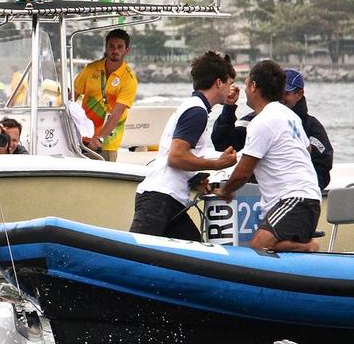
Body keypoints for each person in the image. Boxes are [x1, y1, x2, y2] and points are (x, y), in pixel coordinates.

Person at [213, 60, 323, 252]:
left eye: (246, 84)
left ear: (254, 86)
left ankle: (310, 247)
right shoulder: (290, 116)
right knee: (269, 248)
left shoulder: (263, 121)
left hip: (294, 199)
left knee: (259, 246)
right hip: (309, 197)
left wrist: (225, 191)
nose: (245, 90)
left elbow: (243, 173)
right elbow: (307, 151)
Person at [130, 51, 239, 241]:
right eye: (229, 83)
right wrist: (218, 163)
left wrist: (197, 179)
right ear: (219, 82)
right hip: (160, 198)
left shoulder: (195, 107)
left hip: (170, 200)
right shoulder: (197, 111)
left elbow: (179, 157)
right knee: (133, 255)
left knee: (197, 254)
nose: (231, 88)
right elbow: (176, 157)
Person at [212, 68, 332, 189]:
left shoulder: (310, 127)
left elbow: (322, 166)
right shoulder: (255, 120)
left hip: (294, 194)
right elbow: (222, 144)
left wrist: (299, 189)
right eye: (279, 92)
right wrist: (228, 107)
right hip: (260, 193)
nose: (281, 97)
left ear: (299, 94)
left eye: (286, 93)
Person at [71, 28, 138, 161]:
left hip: (107, 143)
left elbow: (116, 114)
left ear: (126, 50)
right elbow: (71, 98)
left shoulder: (129, 79)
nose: (115, 51)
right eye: (111, 46)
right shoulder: (90, 69)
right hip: (81, 138)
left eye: (120, 47)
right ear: (106, 48)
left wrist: (100, 138)